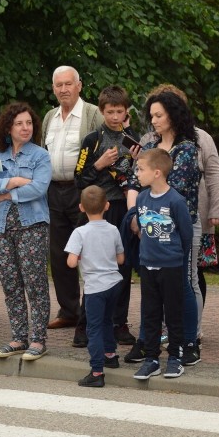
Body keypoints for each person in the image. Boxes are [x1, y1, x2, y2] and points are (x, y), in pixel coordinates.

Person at [125, 90, 201, 366]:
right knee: (152, 291)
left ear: (173, 115)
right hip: (148, 226)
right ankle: (148, 341)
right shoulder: (150, 146)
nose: (153, 121)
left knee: (183, 284)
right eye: (151, 116)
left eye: (159, 115)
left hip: (179, 228)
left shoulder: (186, 149)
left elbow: (175, 191)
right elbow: (134, 180)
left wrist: (146, 215)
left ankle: (189, 342)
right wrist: (136, 215)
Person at [0, 102, 51, 360]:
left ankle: (38, 339)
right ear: (8, 128)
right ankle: (19, 337)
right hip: (0, 227)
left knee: (35, 283)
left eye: (29, 123)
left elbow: (39, 188)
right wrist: (16, 181)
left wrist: (7, 193)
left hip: (32, 225)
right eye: (19, 123)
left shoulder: (39, 156)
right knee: (10, 283)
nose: (25, 128)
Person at [74, 85, 138, 346]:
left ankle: (118, 323)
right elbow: (79, 178)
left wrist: (138, 160)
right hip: (97, 212)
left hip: (123, 209)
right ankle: (85, 324)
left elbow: (141, 176)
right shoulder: (92, 140)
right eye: (110, 112)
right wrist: (99, 164)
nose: (114, 117)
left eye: (119, 112)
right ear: (101, 111)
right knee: (94, 270)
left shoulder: (133, 138)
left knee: (123, 268)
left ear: (126, 112)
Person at [42, 66, 104, 335]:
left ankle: (92, 313)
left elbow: (106, 148)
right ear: (53, 88)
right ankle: (69, 311)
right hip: (54, 190)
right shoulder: (49, 117)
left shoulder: (92, 114)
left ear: (79, 85)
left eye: (68, 84)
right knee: (59, 254)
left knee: (88, 253)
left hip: (84, 191)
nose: (64, 89)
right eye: (59, 85)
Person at [131, 148, 192, 380]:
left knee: (173, 313)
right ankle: (151, 359)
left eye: (141, 169)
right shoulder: (141, 198)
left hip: (171, 266)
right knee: (151, 313)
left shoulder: (175, 200)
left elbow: (186, 235)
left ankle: (175, 357)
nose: (137, 173)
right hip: (148, 265)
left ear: (157, 173)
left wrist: (175, 258)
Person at [65, 185, 125, 387]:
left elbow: (71, 262)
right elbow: (121, 259)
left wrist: (81, 256)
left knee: (94, 328)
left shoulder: (80, 233)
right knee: (108, 321)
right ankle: (111, 354)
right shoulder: (113, 229)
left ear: (81, 207)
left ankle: (97, 371)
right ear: (107, 205)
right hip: (114, 283)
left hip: (95, 288)